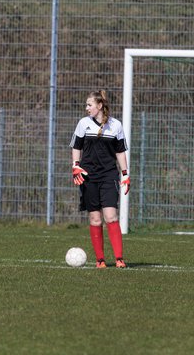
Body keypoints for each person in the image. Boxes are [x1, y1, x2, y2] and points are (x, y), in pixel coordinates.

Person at [69, 90, 130, 268]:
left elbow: (120, 151)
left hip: (109, 174)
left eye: (89, 105)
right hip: (88, 176)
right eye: (87, 105)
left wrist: (125, 173)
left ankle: (119, 258)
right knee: (95, 219)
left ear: (99, 105)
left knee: (111, 216)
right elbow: (76, 146)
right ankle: (100, 260)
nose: (86, 108)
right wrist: (76, 165)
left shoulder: (115, 125)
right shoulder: (83, 124)